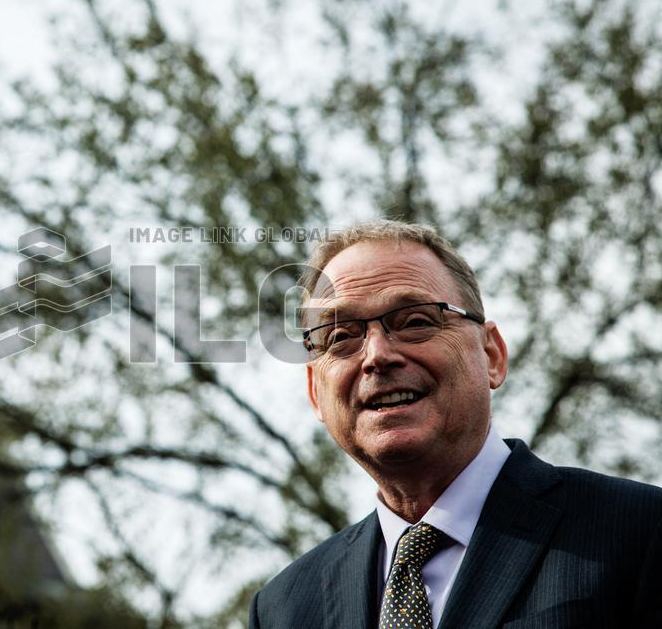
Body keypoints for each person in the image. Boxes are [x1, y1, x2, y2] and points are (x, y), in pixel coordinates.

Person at [249, 220, 662, 629]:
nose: (376, 355)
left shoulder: (639, 532)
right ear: (316, 393)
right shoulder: (282, 609)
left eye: (415, 322)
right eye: (340, 336)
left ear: (492, 356)